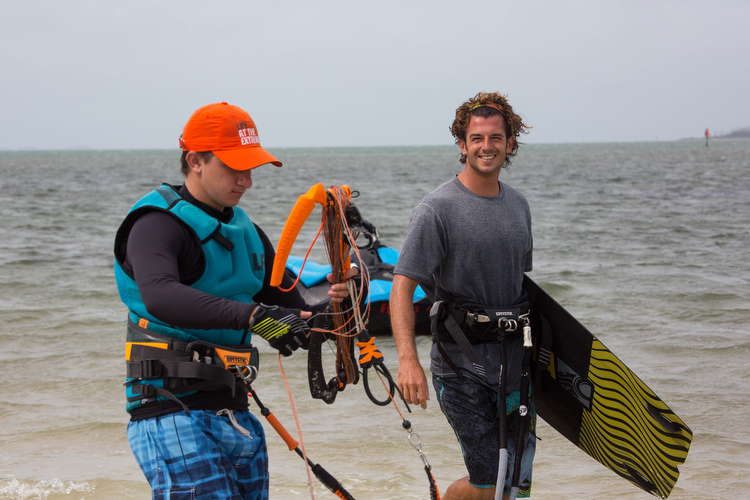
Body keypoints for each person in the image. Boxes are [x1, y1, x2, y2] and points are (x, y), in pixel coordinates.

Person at [113, 102, 356, 499]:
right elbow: (161, 297)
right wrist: (257, 317)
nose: (246, 181)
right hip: (171, 411)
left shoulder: (246, 230)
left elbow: (291, 307)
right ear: (195, 160)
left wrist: (339, 310)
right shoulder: (155, 225)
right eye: (234, 167)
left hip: (236, 413)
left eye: (251, 168)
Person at [390, 92, 534, 500]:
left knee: (516, 484)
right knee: (488, 481)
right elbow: (403, 285)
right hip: (460, 366)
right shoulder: (437, 209)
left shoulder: (519, 206)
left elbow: (520, 287)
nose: (486, 146)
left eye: (495, 138)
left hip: (513, 366)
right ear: (462, 144)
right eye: (476, 138)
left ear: (509, 143)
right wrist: (407, 361)